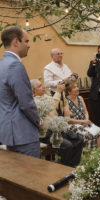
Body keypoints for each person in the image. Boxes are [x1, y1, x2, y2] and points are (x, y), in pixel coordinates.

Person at [0, 26, 42, 158]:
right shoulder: (15, 65)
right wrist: (39, 121)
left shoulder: (2, 64)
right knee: (32, 175)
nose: (29, 45)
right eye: (26, 41)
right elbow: (25, 102)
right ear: (16, 42)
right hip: (23, 133)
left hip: (9, 132)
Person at [31, 79, 83, 167]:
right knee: (68, 146)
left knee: (79, 140)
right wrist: (58, 91)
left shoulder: (46, 96)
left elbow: (59, 104)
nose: (43, 86)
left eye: (42, 84)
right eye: (39, 86)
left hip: (57, 129)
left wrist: (61, 91)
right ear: (33, 91)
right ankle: (63, 170)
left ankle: (73, 167)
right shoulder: (33, 102)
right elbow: (52, 106)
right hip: (46, 133)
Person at [64, 79, 100, 148]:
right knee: (88, 135)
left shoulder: (80, 98)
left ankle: (98, 154)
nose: (77, 89)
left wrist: (86, 120)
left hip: (84, 122)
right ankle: (87, 157)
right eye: (74, 87)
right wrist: (83, 121)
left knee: (99, 132)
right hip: (73, 125)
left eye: (77, 86)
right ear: (68, 91)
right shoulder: (66, 101)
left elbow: (85, 112)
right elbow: (68, 120)